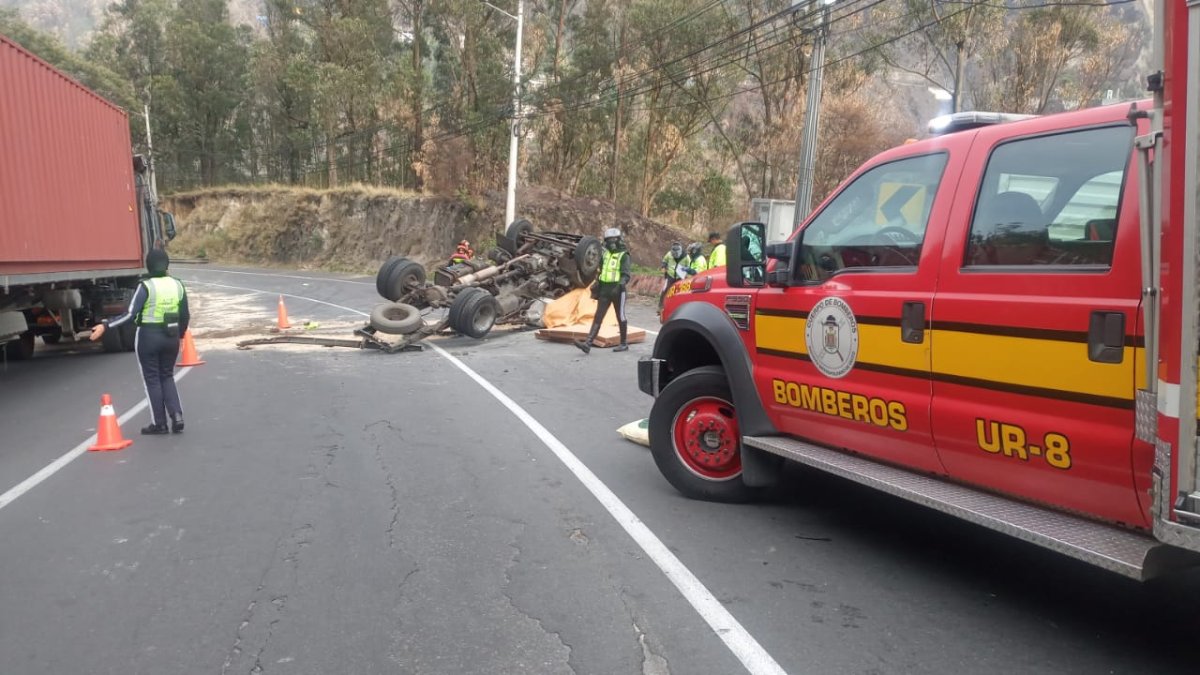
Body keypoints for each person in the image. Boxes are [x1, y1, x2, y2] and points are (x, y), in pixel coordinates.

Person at [90, 248, 190, 434]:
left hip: (149, 337)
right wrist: (182, 336)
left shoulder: (146, 286)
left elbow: (130, 314)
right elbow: (185, 315)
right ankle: (177, 415)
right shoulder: (178, 285)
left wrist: (106, 325)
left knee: (152, 379)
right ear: (167, 264)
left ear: (149, 265)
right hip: (171, 337)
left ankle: (159, 423)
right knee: (167, 375)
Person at [575, 227, 630, 354]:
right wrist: (597, 284)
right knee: (598, 316)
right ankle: (588, 344)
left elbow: (626, 275)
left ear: (619, 240)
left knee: (620, 316)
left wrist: (619, 286)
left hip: (618, 290)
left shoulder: (624, 255)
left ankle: (623, 343)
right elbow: (600, 270)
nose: (611, 242)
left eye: (613, 239)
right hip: (605, 290)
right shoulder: (605, 255)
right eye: (608, 240)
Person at [659, 241, 686, 312]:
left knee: (679, 293)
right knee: (665, 290)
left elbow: (689, 266)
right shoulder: (669, 254)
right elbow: (664, 261)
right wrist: (663, 267)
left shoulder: (686, 257)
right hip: (670, 276)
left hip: (680, 277)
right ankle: (661, 306)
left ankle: (677, 308)